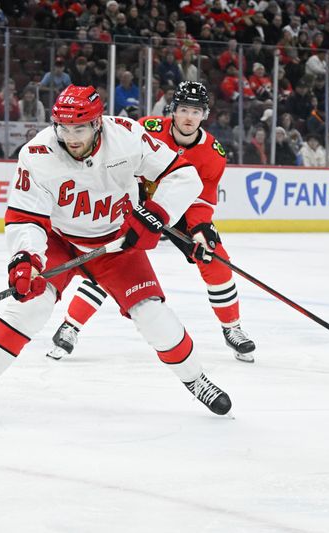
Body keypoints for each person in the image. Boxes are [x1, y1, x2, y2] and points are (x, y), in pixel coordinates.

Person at [0, 84, 232, 422]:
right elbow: (26, 216)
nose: (71, 136)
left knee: (154, 317)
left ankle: (196, 379)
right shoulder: (37, 154)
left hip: (116, 243)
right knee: (30, 306)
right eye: (63, 128)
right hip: (61, 240)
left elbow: (184, 176)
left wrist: (156, 213)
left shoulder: (126, 136)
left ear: (97, 123)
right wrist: (25, 260)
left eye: (79, 127)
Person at [47, 81, 257, 364]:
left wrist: (200, 228)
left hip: (177, 207)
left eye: (195, 112)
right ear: (172, 111)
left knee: (215, 257)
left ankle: (232, 328)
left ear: (205, 115)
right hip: (136, 200)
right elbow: (120, 163)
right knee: (112, 260)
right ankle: (71, 326)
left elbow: (201, 199)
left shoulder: (213, 153)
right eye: (183, 109)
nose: (188, 117)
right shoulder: (147, 128)